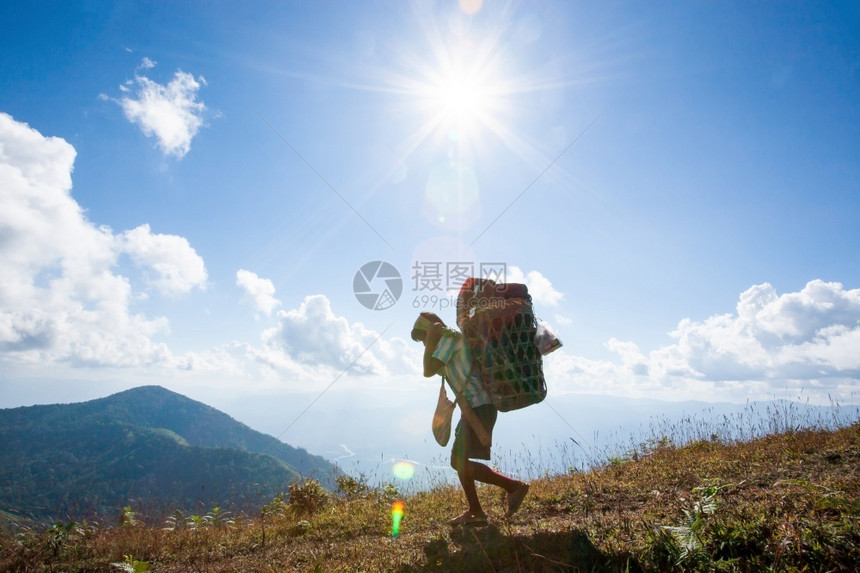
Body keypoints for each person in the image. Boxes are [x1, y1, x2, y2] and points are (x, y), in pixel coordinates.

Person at [411, 311, 529, 525]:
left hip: (479, 406)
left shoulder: (449, 340)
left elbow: (428, 371)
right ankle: (477, 510)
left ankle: (512, 488)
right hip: (473, 408)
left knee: (458, 460)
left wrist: (429, 342)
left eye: (422, 337)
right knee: (459, 460)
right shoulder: (448, 343)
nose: (422, 343)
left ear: (430, 331)